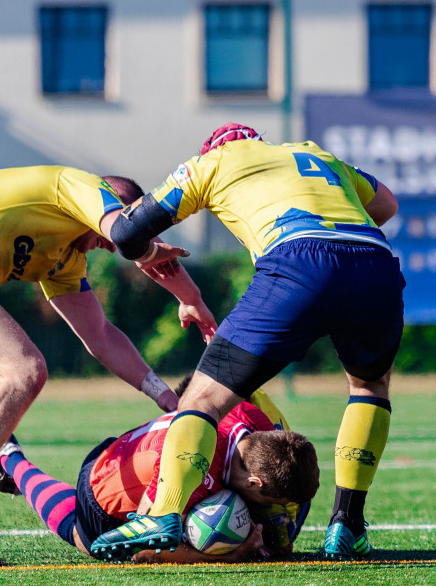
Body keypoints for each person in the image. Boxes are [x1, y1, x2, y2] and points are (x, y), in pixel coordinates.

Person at [0, 166, 217, 566]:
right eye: (126, 220)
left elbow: (100, 335)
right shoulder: (74, 185)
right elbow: (128, 234)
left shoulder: (66, 256)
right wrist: (189, 294)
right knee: (26, 370)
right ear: (106, 200)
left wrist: (166, 397)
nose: (110, 244)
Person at [89, 123, 405, 561]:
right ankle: (347, 523)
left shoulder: (213, 162)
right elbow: (386, 203)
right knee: (369, 387)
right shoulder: (314, 154)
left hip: (296, 261)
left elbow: (126, 232)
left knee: (201, 401)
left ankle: (163, 514)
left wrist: (147, 254)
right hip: (374, 262)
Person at [0, 386, 318, 564]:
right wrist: (234, 554)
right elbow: (144, 552)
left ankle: (10, 459)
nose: (276, 509)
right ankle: (11, 456)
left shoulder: (250, 417)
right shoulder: (191, 479)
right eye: (273, 502)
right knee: (83, 540)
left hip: (129, 445)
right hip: (103, 494)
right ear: (254, 482)